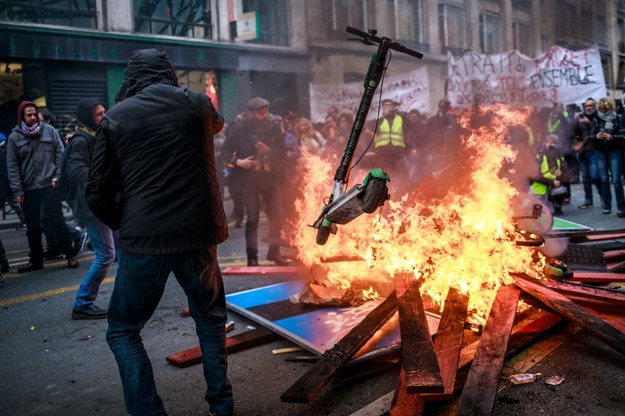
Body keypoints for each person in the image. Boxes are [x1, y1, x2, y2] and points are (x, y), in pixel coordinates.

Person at [85, 48, 233, 416]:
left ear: (132, 77)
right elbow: (217, 124)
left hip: (145, 237)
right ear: (168, 72)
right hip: (199, 233)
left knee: (122, 330)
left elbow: (96, 191)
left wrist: (125, 222)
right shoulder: (198, 105)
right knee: (211, 319)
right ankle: (222, 406)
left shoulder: (116, 117)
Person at [6, 101, 79, 272]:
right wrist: (17, 189)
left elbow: (61, 153)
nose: (33, 117)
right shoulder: (14, 137)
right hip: (28, 188)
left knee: (58, 221)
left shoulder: (50, 131)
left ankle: (70, 255)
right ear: (22, 117)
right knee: (33, 227)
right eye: (28, 115)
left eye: (34, 114)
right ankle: (36, 261)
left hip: (49, 184)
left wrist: (57, 176)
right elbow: (12, 166)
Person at [222, 96, 290, 267]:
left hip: (269, 178)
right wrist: (239, 162)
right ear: (251, 113)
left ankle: (274, 253)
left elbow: (282, 153)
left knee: (277, 214)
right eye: (261, 112)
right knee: (252, 218)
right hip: (248, 180)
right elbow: (226, 152)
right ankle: (252, 257)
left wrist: (268, 151)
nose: (265, 115)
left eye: (266, 111)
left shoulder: (273, 128)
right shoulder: (239, 128)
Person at [67, 98, 115, 320]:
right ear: (88, 117)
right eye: (98, 114)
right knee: (106, 255)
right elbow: (77, 170)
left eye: (104, 112)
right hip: (92, 205)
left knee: (116, 252)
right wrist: (101, 181)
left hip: (101, 202)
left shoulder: (95, 135)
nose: (103, 116)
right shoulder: (82, 139)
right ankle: (83, 303)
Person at [573, 97, 611, 213]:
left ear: (595, 106)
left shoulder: (598, 117)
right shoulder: (579, 117)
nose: (589, 108)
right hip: (582, 151)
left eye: (591, 106)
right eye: (587, 106)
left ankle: (603, 197)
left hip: (595, 150)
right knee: (585, 177)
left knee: (595, 176)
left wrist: (589, 124)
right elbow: (574, 133)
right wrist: (575, 122)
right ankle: (588, 200)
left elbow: (598, 132)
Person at [595, 97, 625, 217]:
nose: (604, 109)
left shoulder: (619, 118)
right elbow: (590, 135)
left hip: (615, 150)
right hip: (600, 150)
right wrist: (597, 136)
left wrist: (612, 137)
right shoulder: (596, 119)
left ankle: (621, 206)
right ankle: (607, 205)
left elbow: (623, 135)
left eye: (606, 107)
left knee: (616, 180)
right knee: (603, 179)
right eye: (602, 107)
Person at [529, 134, 569, 216]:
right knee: (536, 215)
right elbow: (533, 176)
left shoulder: (559, 157)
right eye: (548, 142)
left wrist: (559, 177)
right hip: (539, 191)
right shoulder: (538, 157)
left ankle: (556, 207)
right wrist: (551, 182)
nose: (550, 145)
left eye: (553, 143)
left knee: (562, 191)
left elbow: (567, 176)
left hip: (552, 189)